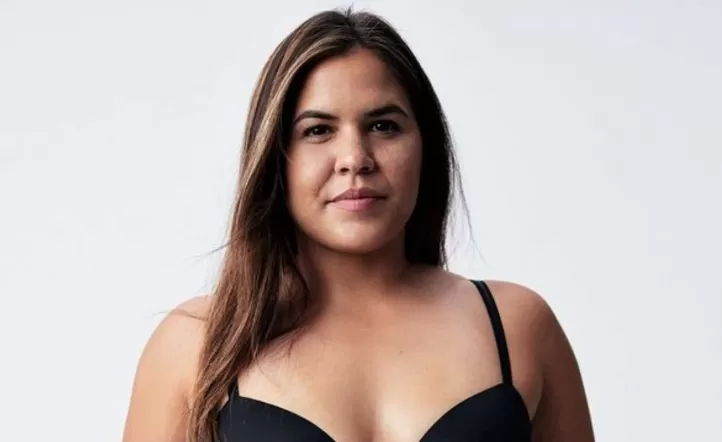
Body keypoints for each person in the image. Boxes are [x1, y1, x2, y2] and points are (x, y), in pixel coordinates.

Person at [122, 8, 594, 442]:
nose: (355, 158)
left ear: (425, 145)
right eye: (318, 130)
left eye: (383, 125)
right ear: (275, 158)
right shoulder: (195, 346)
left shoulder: (517, 328)